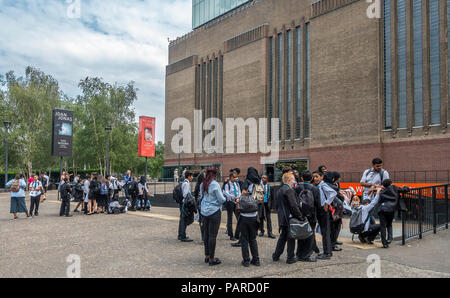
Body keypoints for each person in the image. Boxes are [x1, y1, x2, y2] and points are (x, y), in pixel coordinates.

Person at [272, 172, 303, 264]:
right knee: (291, 238)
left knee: (283, 237)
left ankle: (276, 255)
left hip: (282, 218)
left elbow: (277, 206)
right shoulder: (289, 190)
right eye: (293, 179)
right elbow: (293, 206)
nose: (294, 181)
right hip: (289, 218)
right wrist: (300, 216)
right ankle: (290, 258)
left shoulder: (279, 190)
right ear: (289, 180)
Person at [200, 168, 226, 266]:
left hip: (205, 211)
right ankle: (212, 258)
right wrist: (225, 197)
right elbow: (221, 199)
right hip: (214, 212)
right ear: (215, 175)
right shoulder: (215, 184)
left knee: (206, 234)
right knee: (212, 236)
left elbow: (202, 196)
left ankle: (207, 255)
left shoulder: (203, 183)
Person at [295, 171, 322, 262]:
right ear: (311, 179)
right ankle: (307, 255)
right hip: (311, 215)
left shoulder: (297, 188)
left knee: (301, 234)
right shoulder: (314, 189)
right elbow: (318, 203)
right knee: (310, 234)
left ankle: (299, 254)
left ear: (302, 178)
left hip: (300, 214)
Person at [378, 179, 409, 248]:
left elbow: (379, 201)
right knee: (389, 224)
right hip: (391, 210)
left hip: (382, 210)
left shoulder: (382, 192)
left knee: (383, 226)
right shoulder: (394, 187)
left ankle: (384, 243)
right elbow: (405, 189)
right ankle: (390, 238)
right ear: (391, 183)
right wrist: (405, 186)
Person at [315, 170, 337, 260]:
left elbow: (333, 193)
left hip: (324, 210)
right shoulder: (319, 185)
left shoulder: (323, 185)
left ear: (322, 177)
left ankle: (327, 253)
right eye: (314, 177)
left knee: (325, 232)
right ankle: (328, 252)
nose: (315, 178)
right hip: (321, 210)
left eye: (317, 176)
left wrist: (327, 203)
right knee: (325, 232)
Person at [238, 182, 260, 267]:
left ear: (243, 190)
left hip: (244, 219)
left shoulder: (241, 198)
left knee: (244, 240)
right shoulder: (253, 196)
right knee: (253, 239)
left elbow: (238, 209)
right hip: (254, 218)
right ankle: (256, 259)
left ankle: (246, 260)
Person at [223, 171, 241, 241]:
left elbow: (239, 191)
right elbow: (226, 193)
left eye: (236, 177)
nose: (235, 178)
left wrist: (238, 197)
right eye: (234, 177)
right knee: (230, 218)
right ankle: (231, 235)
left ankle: (237, 234)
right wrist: (232, 197)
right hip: (230, 202)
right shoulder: (228, 185)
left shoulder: (237, 184)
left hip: (236, 202)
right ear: (230, 177)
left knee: (239, 218)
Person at [178, 171, 194, 242]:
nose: (192, 177)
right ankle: (182, 236)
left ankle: (181, 235)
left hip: (182, 204)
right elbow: (185, 194)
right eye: (192, 176)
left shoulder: (183, 183)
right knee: (184, 220)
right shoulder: (186, 184)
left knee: (182, 219)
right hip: (185, 204)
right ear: (189, 176)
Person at [259, 174, 275, 238]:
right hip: (261, 204)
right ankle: (262, 231)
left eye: (264, 178)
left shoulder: (270, 187)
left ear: (267, 179)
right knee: (261, 217)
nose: (263, 179)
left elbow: (273, 198)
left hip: (268, 204)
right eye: (262, 178)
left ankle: (270, 232)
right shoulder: (259, 187)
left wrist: (273, 207)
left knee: (268, 219)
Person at [194, 171, 206, 242]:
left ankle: (203, 237)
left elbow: (196, 197)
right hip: (202, 205)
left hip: (199, 205)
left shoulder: (198, 185)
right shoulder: (202, 185)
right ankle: (204, 237)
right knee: (203, 221)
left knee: (201, 222)